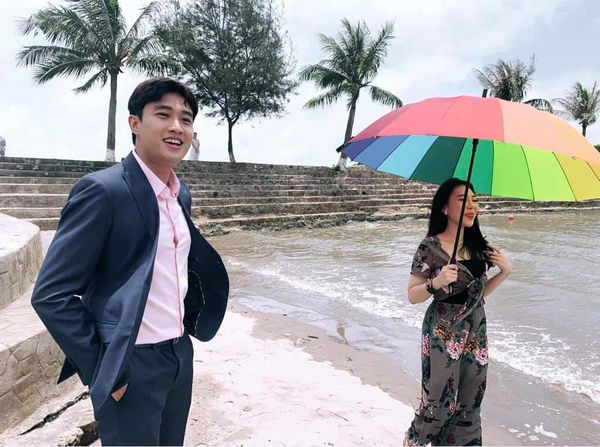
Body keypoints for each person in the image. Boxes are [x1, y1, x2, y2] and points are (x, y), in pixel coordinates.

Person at [31, 77, 229, 446]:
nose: (177, 126)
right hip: (130, 361)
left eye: (186, 119)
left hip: (178, 354)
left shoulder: (179, 194)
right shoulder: (103, 191)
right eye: (163, 114)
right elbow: (51, 295)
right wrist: (104, 370)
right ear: (134, 123)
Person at [404, 178, 511, 446]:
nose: (472, 206)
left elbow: (478, 294)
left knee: (470, 398)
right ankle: (414, 440)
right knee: (440, 398)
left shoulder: (480, 248)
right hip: (443, 328)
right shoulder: (429, 247)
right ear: (444, 207)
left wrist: (505, 272)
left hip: (476, 327)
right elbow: (412, 295)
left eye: (475, 200)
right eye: (464, 200)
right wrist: (436, 282)